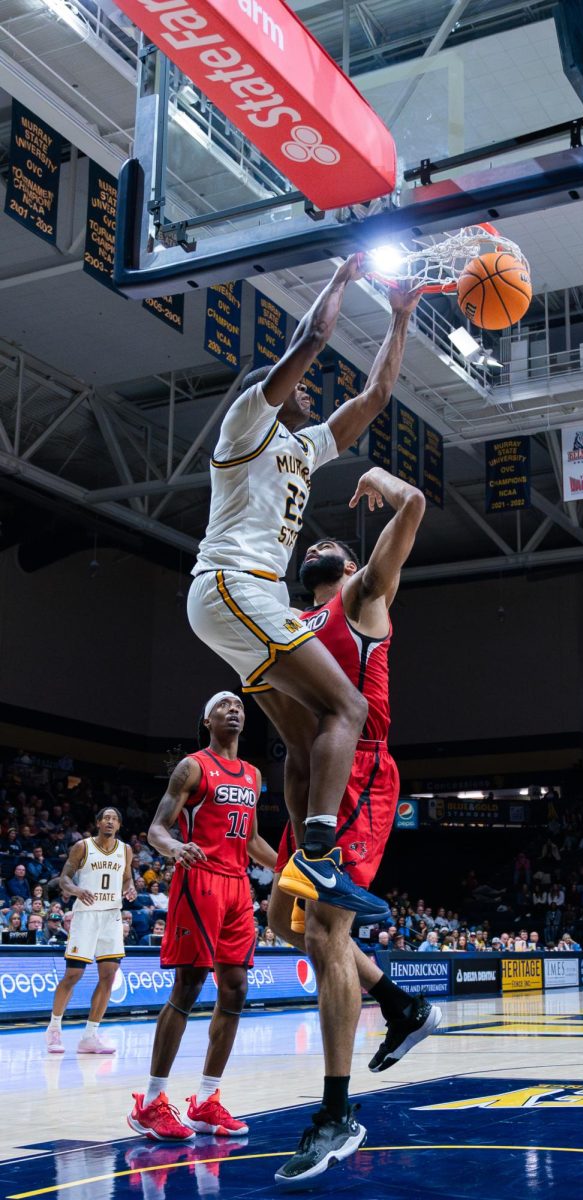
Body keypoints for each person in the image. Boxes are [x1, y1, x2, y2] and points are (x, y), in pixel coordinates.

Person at [186, 256, 420, 922]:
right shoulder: (245, 427)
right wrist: (344, 277)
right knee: (346, 707)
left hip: (241, 603)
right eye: (303, 392)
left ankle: (302, 863)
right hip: (234, 586)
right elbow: (310, 340)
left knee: (304, 733)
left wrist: (400, 317)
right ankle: (320, 854)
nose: (312, 397)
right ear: (272, 393)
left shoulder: (302, 446)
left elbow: (373, 398)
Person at [263, 468, 441, 1186]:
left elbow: (419, 505)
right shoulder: (289, 622)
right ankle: (400, 1004)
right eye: (314, 544)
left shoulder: (363, 597)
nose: (320, 547)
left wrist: (379, 481)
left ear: (350, 565)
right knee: (281, 919)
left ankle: (337, 1115)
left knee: (323, 933)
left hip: (359, 775)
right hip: (305, 784)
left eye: (334, 541)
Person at [127, 692, 277, 1142]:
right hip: (200, 878)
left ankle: (207, 1101)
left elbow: (250, 839)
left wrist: (288, 869)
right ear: (207, 720)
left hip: (236, 887)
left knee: (236, 988)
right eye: (224, 705)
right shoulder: (193, 766)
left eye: (239, 706)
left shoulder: (253, 774)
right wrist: (175, 848)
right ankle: (151, 1103)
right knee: (189, 984)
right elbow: (156, 828)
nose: (234, 709)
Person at [45, 807, 136, 1055]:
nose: (110, 821)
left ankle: (90, 1035)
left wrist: (130, 888)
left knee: (109, 975)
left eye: (115, 819)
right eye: (106, 818)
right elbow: (64, 879)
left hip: (111, 917)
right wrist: (76, 891)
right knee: (73, 974)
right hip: (86, 916)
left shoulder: (125, 850)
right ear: (98, 822)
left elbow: (127, 877)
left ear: (119, 825)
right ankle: (54, 1028)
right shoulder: (83, 847)